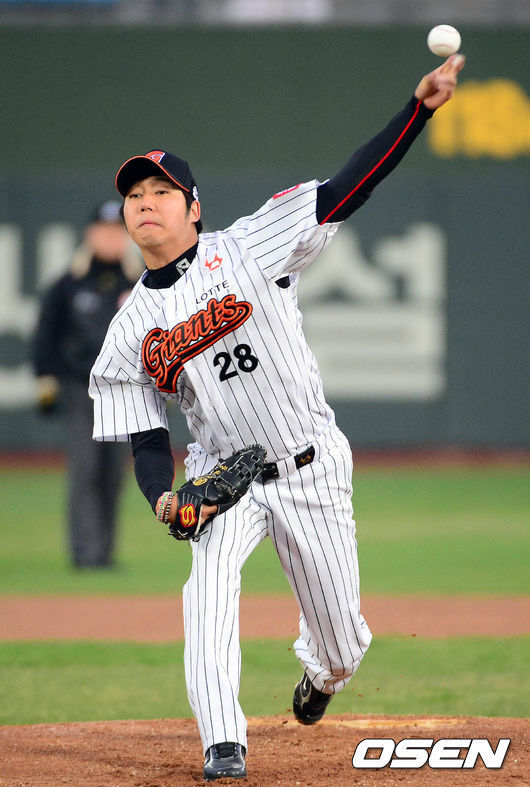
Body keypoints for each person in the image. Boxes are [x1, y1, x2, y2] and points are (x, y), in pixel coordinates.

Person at [89, 55, 465, 780]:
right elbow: (146, 434)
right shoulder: (129, 327)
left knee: (343, 645)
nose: (145, 203)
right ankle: (222, 742)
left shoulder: (250, 245)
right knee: (206, 594)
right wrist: (164, 497)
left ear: (193, 208)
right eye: (134, 194)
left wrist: (417, 110)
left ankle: (321, 677)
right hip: (223, 477)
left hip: (308, 464)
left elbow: (349, 186)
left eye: (161, 190)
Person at [33, 201, 144, 568]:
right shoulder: (69, 283)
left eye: (117, 231)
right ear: (90, 234)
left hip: (124, 390)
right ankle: (85, 552)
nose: (110, 238)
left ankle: (104, 552)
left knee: (113, 473)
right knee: (85, 468)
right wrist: (46, 379)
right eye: (104, 230)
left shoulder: (141, 282)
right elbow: (47, 334)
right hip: (79, 386)